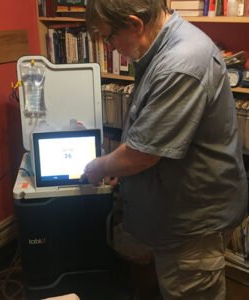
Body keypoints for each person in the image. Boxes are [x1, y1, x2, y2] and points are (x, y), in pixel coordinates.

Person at [81, 0, 248, 299]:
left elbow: (144, 153)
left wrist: (100, 167)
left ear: (135, 24)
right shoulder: (159, 47)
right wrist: (121, 168)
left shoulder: (180, 63)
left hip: (192, 225)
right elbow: (145, 122)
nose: (110, 47)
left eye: (109, 37)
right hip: (175, 211)